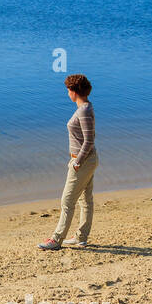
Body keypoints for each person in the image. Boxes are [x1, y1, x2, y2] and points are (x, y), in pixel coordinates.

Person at [38, 74, 97, 250]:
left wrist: (77, 162)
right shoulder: (85, 107)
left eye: (68, 90)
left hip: (83, 161)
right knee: (85, 200)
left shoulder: (84, 110)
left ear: (74, 91)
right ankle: (81, 237)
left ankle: (56, 239)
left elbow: (89, 140)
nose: (67, 93)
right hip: (88, 160)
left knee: (67, 201)